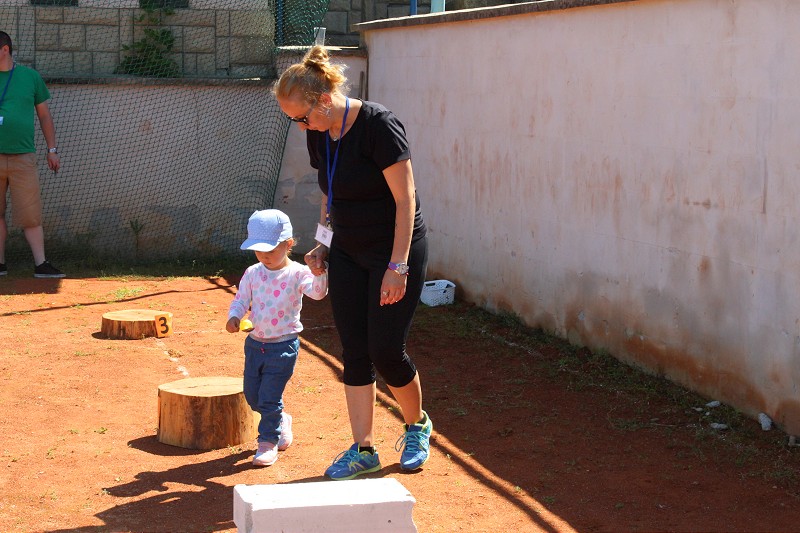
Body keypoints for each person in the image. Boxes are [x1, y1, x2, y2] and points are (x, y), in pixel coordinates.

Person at [272, 45, 432, 481]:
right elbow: (330, 192)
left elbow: (406, 200)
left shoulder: (379, 125)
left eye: (302, 118)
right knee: (355, 351)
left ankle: (417, 426)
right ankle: (364, 449)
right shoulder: (319, 130)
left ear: (324, 100)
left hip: (392, 249)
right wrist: (323, 243)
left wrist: (397, 266)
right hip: (347, 248)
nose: (301, 127)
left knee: (386, 350)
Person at [226, 209, 328, 466]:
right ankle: (282, 420)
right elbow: (241, 300)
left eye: (270, 249)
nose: (264, 256)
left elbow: (317, 294)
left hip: (283, 347)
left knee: (269, 397)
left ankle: (268, 442)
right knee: (253, 396)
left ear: (288, 244)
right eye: (258, 250)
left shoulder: (298, 273)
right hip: (254, 345)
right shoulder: (253, 272)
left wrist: (320, 274)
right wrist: (234, 316)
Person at [0, 31, 65, 278]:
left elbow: (44, 116)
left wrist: (52, 150)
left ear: (5, 49)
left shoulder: (30, 77)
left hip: (23, 157)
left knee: (31, 215)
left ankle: (41, 264)